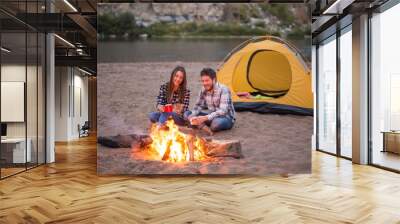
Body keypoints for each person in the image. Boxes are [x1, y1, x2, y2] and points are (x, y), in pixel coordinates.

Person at [184, 68, 235, 135]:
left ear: (214, 80)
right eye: (203, 81)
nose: (204, 83)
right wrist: (192, 115)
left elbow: (223, 111)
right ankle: (204, 126)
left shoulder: (224, 89)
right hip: (211, 116)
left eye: (207, 80)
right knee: (187, 114)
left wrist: (205, 118)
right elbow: (198, 106)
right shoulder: (203, 90)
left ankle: (201, 125)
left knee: (215, 124)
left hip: (226, 118)